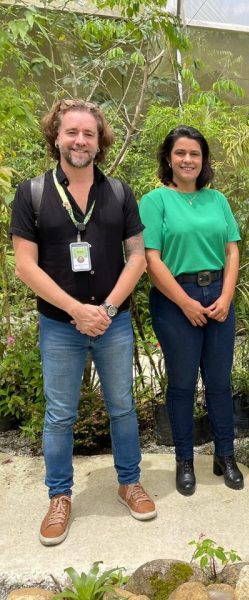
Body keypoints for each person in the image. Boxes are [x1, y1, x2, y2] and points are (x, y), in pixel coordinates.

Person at [10, 99, 156, 546]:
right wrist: (76, 310)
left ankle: (129, 482)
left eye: (88, 133)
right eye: (71, 132)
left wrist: (106, 310)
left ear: (99, 141)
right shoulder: (32, 193)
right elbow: (25, 266)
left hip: (112, 322)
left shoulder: (120, 193)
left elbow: (137, 258)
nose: (80, 140)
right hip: (60, 324)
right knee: (59, 414)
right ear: (56, 136)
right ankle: (59, 496)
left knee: (122, 406)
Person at [139, 125, 243, 495]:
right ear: (168, 158)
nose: (188, 160)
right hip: (174, 299)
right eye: (180, 153)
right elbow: (150, 259)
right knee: (182, 385)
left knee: (219, 383)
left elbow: (232, 249)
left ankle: (225, 455)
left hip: (218, 294)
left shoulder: (217, 200)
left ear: (203, 160)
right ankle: (184, 460)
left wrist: (226, 296)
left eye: (194, 154)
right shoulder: (154, 201)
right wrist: (184, 302)